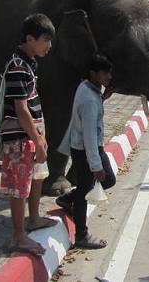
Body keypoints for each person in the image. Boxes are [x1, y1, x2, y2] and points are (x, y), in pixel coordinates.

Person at [0, 13, 57, 256]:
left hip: (32, 133)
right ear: (30, 39)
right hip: (20, 137)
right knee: (19, 185)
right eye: (45, 40)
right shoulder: (17, 67)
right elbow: (21, 110)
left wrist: (40, 136)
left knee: (36, 176)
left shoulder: (30, 63)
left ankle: (33, 218)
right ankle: (18, 235)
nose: (49, 46)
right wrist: (37, 138)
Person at [56, 54, 116, 249]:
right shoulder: (90, 98)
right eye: (104, 73)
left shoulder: (87, 88)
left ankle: (68, 198)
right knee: (86, 189)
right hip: (87, 150)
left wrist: (103, 97)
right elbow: (89, 136)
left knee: (106, 180)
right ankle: (81, 235)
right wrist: (96, 165)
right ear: (93, 73)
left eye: (109, 72)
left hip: (83, 146)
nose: (108, 76)